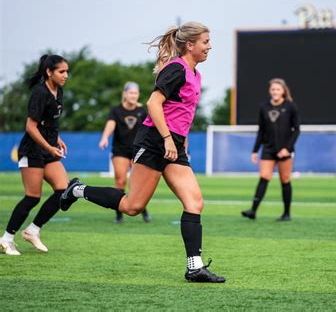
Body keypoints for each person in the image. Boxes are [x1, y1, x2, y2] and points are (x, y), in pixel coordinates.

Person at [59, 22, 225, 283]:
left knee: (194, 203)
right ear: (190, 44)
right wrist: (168, 139)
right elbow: (153, 103)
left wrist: (182, 143)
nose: (210, 46)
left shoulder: (196, 74)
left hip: (174, 146)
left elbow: (183, 113)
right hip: (154, 142)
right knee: (133, 206)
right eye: (206, 41)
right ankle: (77, 190)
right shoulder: (176, 69)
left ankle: (195, 267)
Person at [0, 55, 70, 255]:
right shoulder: (40, 92)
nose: (66, 75)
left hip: (48, 148)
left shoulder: (59, 91)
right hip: (32, 150)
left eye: (67, 71)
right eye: (61, 71)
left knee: (63, 190)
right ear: (49, 72)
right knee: (32, 197)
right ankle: (6, 239)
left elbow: (49, 123)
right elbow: (31, 127)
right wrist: (49, 147)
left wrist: (57, 138)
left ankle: (33, 230)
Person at [241, 78, 300, 221]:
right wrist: (255, 150)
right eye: (273, 89)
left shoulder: (291, 106)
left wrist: (287, 148)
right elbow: (261, 130)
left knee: (285, 179)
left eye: (278, 89)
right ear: (270, 91)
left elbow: (296, 130)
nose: (275, 92)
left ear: (283, 91)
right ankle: (253, 211)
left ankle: (286, 214)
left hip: (285, 150)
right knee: (264, 177)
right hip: (268, 149)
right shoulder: (264, 107)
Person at [99, 82, 151, 223]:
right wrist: (105, 137)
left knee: (138, 183)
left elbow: (149, 128)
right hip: (120, 150)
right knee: (121, 181)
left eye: (135, 93)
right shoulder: (116, 111)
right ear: (125, 94)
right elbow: (111, 124)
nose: (133, 95)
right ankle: (119, 215)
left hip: (138, 151)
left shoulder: (142, 111)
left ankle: (143, 210)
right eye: (130, 93)